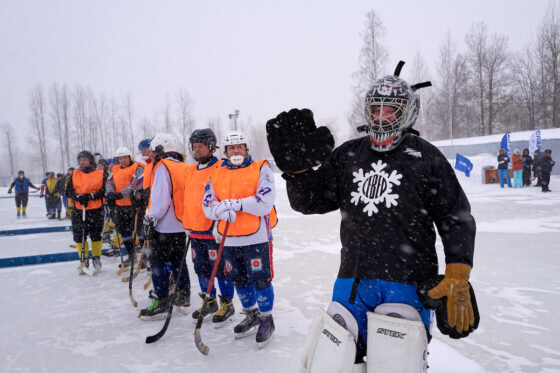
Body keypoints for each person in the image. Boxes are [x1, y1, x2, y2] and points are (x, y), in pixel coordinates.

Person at [266, 61, 478, 371]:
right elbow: (311, 201)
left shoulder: (427, 157)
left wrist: (458, 271)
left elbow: (455, 217)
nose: (381, 117)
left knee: (395, 363)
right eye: (375, 109)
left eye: (390, 110)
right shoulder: (348, 154)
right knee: (332, 363)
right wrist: (298, 171)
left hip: (407, 282)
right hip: (352, 279)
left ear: (408, 113)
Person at [202, 130, 277, 347]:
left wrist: (234, 204)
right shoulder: (217, 172)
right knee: (239, 279)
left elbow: (265, 201)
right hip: (229, 238)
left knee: (261, 279)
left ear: (246, 148)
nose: (236, 151)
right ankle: (252, 314)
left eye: (240, 147)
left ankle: (267, 318)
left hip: (257, 237)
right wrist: (219, 211)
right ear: (225, 151)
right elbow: (208, 204)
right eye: (232, 148)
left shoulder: (261, 167)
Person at [183, 129, 236, 325]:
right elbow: (186, 198)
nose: (197, 150)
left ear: (211, 146)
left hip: (213, 231)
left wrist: (219, 224)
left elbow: (227, 195)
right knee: (201, 269)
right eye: (194, 146)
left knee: (220, 269)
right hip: (195, 230)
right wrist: (186, 222)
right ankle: (209, 300)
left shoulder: (222, 167)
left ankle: (227, 303)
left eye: (201, 146)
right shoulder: (190, 170)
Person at [139, 133, 191, 320]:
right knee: (178, 261)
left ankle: (161, 300)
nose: (151, 154)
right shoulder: (183, 166)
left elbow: (161, 198)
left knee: (158, 263)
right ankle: (183, 294)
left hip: (163, 225)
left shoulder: (162, 167)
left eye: (153, 150)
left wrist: (150, 219)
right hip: (180, 224)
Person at [66, 151, 107, 273]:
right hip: (79, 210)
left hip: (95, 210)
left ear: (90, 161)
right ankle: (84, 260)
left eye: (85, 159)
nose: (82, 162)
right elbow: (68, 191)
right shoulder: (74, 174)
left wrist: (91, 196)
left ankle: (96, 257)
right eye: (80, 160)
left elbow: (104, 190)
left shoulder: (100, 174)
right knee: (79, 236)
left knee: (96, 235)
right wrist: (77, 197)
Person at [106, 147, 144, 268]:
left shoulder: (138, 167)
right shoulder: (115, 169)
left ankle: (145, 258)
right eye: (120, 158)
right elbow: (109, 182)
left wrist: (120, 194)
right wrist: (110, 194)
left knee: (140, 232)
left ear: (130, 157)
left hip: (135, 205)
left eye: (125, 157)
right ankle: (131, 256)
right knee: (124, 232)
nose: (123, 160)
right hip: (121, 206)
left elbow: (136, 185)